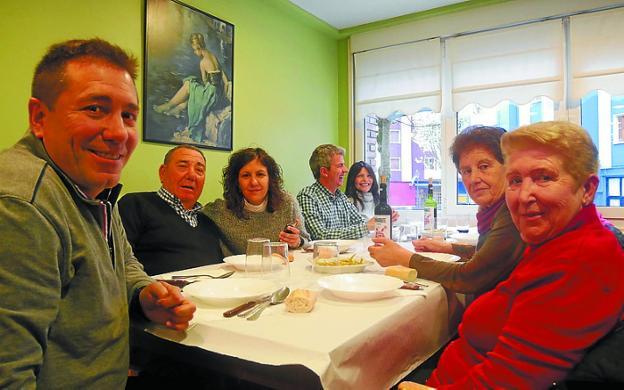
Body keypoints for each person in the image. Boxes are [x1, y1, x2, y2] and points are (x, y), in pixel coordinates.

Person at [0, 39, 195, 388]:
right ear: (39, 117)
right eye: (94, 109)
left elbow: (123, 263)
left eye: (129, 115)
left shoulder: (91, 185)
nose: (119, 132)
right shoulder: (21, 205)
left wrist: (144, 293)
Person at [405, 121, 624, 388]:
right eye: (516, 180)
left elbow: (504, 382)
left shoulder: (580, 258)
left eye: (544, 177)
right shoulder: (555, 239)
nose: (523, 195)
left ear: (588, 189)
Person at [369, 126, 526, 295]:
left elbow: (469, 278)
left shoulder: (513, 212)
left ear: (508, 167)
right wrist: (447, 247)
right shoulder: (494, 210)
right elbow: (489, 253)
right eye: (466, 171)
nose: (474, 179)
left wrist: (404, 258)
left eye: (484, 166)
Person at [119, 145, 223, 275]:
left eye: (199, 170)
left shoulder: (209, 220)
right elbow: (118, 262)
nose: (192, 175)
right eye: (183, 166)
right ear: (163, 172)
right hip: (160, 292)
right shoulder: (135, 204)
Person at [203, 147, 310, 255]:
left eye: (260, 174)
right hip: (240, 271)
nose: (253, 182)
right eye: (246, 175)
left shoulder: (288, 203)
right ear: (237, 182)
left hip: (281, 269)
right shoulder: (220, 211)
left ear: (270, 179)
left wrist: (298, 241)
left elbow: (307, 242)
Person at [153, 33, 231, 143]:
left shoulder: (203, 62)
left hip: (210, 95)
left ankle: (169, 105)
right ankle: (177, 108)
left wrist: (205, 87)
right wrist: (223, 93)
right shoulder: (213, 56)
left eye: (194, 50)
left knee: (189, 83)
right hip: (217, 94)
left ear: (199, 48)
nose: (195, 53)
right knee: (193, 85)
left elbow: (204, 81)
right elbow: (225, 81)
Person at [297, 144, 374, 240]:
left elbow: (360, 223)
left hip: (346, 253)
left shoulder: (341, 197)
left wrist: (376, 222)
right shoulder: (308, 196)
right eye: (340, 166)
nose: (346, 170)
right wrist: (367, 227)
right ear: (324, 172)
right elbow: (320, 235)